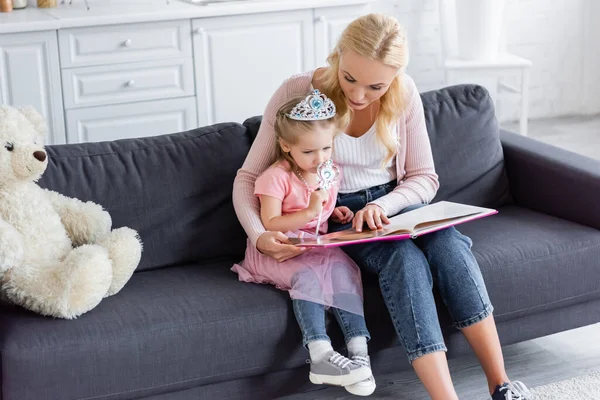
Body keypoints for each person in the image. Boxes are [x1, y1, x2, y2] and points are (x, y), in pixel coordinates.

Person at [232, 12, 532, 400]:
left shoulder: (403, 93)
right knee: (403, 261)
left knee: (449, 247)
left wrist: (385, 206)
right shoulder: (298, 91)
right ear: (338, 56)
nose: (358, 96)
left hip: (397, 201)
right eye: (350, 79)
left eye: (375, 86)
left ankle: (501, 385)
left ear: (393, 78)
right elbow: (248, 179)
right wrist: (259, 236)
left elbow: (424, 177)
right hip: (341, 214)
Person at [231, 91, 376, 396]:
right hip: (278, 250)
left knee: (345, 273)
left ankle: (359, 351)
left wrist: (332, 211)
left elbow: (320, 214)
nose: (320, 157)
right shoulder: (276, 177)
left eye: (327, 147)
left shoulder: (329, 173)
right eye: (309, 152)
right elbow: (270, 223)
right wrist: (310, 212)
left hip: (314, 246)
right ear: (286, 146)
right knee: (308, 279)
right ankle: (320, 355)